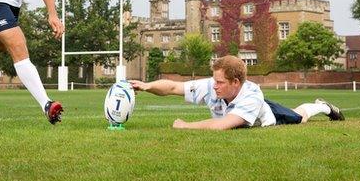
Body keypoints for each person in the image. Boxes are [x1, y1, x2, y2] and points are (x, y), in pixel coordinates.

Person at [129, 55, 344, 130]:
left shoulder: (252, 95)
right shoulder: (214, 84)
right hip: (244, 112)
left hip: (269, 117)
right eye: (214, 80)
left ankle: (322, 106)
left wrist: (185, 125)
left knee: (300, 117)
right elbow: (175, 87)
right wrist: (147, 86)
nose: (214, 86)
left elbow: (223, 125)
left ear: (236, 82)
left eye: (220, 82)